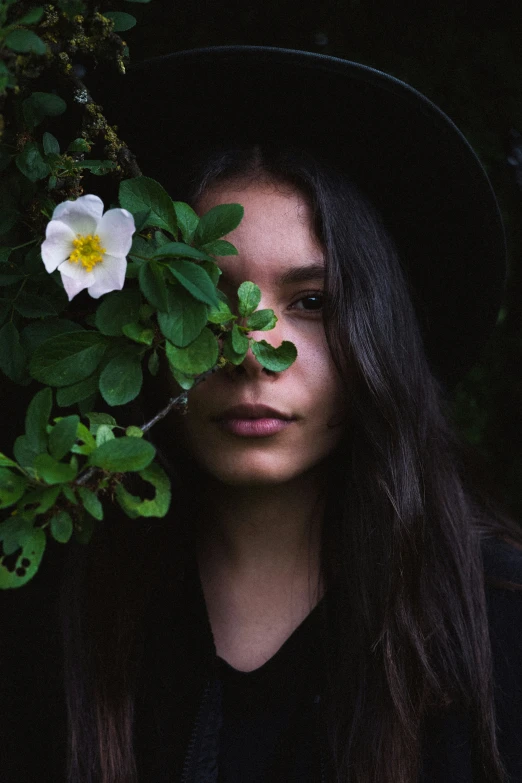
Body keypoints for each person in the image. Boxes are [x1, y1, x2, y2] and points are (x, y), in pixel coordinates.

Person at [3, 47, 522, 783]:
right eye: (205, 299)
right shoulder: (54, 618)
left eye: (311, 303)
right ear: (136, 325)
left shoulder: (497, 622)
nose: (249, 351)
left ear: (375, 333)